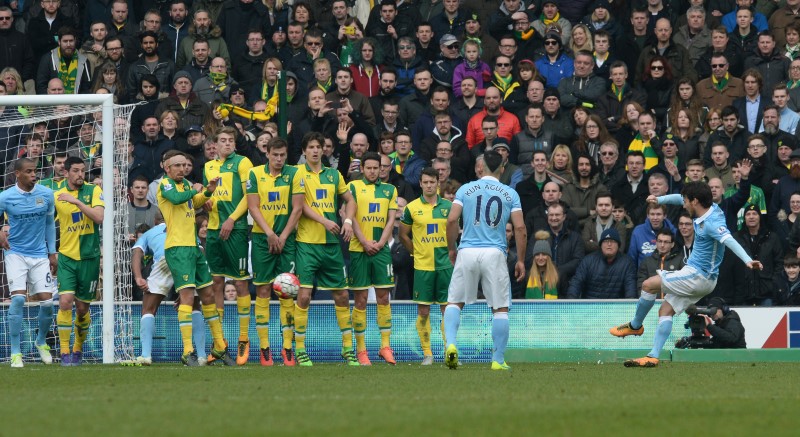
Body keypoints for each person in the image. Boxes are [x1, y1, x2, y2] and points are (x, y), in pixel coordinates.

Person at [610, 182, 763, 367]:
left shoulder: (712, 223)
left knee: (648, 284)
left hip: (698, 276)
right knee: (665, 311)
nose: (683, 204)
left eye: (686, 201)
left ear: (695, 201)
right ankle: (653, 356)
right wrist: (659, 199)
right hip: (702, 278)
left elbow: (729, 240)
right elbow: (677, 198)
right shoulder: (710, 207)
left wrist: (747, 260)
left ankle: (635, 326)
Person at [442, 149, 527, 370]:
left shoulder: (465, 189)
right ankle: (498, 360)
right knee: (500, 308)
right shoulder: (510, 193)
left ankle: (450, 344)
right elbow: (519, 227)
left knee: (455, 302)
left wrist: (452, 248)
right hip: (495, 253)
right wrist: (521, 259)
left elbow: (451, 221)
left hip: (467, 250)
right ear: (502, 167)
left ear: (481, 168)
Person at [156, 150, 233, 366]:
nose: (182, 169)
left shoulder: (187, 186)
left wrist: (208, 191)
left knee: (208, 294)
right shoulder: (166, 185)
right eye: (177, 165)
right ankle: (187, 350)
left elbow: (195, 202)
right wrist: (195, 191)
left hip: (193, 246)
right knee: (188, 297)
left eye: (184, 165)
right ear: (167, 168)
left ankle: (219, 346)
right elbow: (176, 199)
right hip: (178, 247)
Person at [291, 131, 358, 366]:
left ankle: (348, 349)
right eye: (311, 147)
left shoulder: (334, 175)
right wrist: (324, 221)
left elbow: (350, 200)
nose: (316, 150)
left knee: (341, 294)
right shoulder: (297, 173)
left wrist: (347, 221)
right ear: (304, 151)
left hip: (331, 245)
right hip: (307, 243)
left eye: (319, 146)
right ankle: (300, 349)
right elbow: (300, 207)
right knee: (305, 296)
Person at [246, 137, 303, 366]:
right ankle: (264, 348)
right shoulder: (255, 174)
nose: (279, 159)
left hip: (286, 238)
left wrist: (283, 236)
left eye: (282, 155)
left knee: (287, 291)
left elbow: (297, 208)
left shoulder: (295, 174)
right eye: (275, 155)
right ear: (267, 153)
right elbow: (253, 206)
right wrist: (270, 233)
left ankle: (287, 347)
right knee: (262, 290)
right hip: (262, 239)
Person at [202, 126, 254, 366]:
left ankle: (244, 338)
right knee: (216, 284)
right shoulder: (209, 166)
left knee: (241, 282)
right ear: (215, 144)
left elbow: (249, 197)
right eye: (222, 140)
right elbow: (207, 194)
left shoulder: (243, 163)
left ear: (235, 143)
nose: (226, 144)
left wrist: (232, 219)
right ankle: (219, 343)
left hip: (236, 229)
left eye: (230, 140)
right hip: (213, 230)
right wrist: (207, 203)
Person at [0, 158, 57, 368]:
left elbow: (50, 224)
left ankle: (41, 341)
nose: (34, 175)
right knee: (17, 300)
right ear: (17, 174)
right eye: (29, 171)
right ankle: (16, 352)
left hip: (40, 254)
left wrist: (52, 252)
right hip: (15, 253)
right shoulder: (5, 197)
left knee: (48, 303)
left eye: (35, 171)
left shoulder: (46, 194)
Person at [348, 152, 398, 366]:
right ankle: (361, 350)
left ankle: (385, 346)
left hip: (381, 250)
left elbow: (391, 220)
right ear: (363, 169)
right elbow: (350, 217)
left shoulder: (390, 190)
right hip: (359, 249)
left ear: (381, 169)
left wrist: (381, 243)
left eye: (375, 168)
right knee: (360, 300)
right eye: (368, 168)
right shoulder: (353, 188)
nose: (372, 171)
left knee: (383, 298)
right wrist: (365, 242)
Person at [52, 157, 104, 366]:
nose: (80, 174)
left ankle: (77, 349)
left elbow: (99, 217)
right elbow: (47, 222)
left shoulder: (93, 191)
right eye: (75, 171)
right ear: (66, 173)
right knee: (65, 302)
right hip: (66, 256)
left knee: (82, 309)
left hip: (89, 258)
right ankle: (64, 352)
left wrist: (77, 202)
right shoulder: (56, 195)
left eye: (83, 171)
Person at [399, 167, 453, 366]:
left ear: (438, 183)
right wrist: (415, 252)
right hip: (423, 266)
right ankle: (427, 353)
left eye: (433, 182)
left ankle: (450, 350)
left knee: (448, 310)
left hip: (445, 265)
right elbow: (403, 235)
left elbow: (455, 234)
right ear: (420, 183)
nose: (429, 185)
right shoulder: (412, 208)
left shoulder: (449, 207)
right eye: (426, 182)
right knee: (423, 311)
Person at [567, 228, 637, 299]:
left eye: (612, 241)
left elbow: (630, 288)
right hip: (590, 306)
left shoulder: (627, 263)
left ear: (618, 245)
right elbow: (576, 282)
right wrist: (571, 300)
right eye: (606, 241)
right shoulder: (588, 260)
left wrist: (630, 303)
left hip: (616, 307)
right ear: (601, 245)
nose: (609, 244)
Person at [526, 230, 559, 299]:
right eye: (537, 254)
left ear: (549, 257)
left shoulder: (558, 275)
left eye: (544, 254)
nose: (540, 258)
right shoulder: (527, 276)